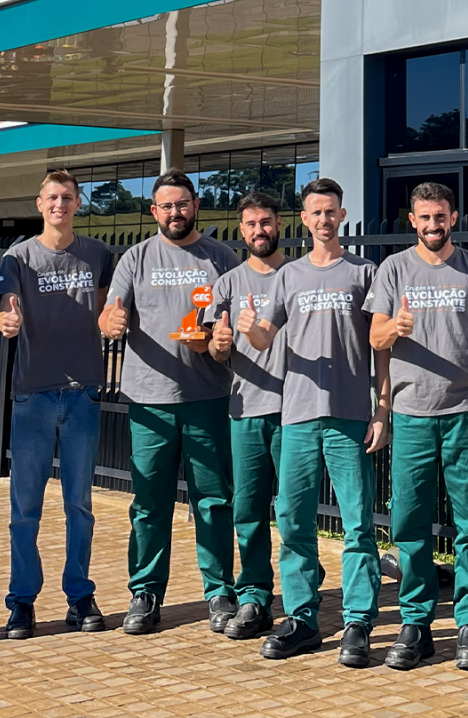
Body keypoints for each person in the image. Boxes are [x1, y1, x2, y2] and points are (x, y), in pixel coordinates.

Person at [240, 177, 389, 667]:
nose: (324, 219)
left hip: (349, 416)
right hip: (298, 416)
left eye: (331, 211)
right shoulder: (289, 276)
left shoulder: (365, 272)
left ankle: (358, 621)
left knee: (357, 525)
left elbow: (381, 347)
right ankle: (302, 619)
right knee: (294, 523)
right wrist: (250, 330)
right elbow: (265, 338)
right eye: (315, 212)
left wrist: (382, 407)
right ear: (303, 220)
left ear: (342, 215)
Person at [365, 181, 468, 671]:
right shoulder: (393, 268)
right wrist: (394, 328)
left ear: (453, 217)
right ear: (413, 221)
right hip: (411, 414)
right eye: (424, 217)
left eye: (440, 216)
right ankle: (416, 624)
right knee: (409, 524)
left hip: (465, 412)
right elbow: (375, 338)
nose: (433, 225)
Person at [99, 169, 240, 635]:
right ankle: (145, 593)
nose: (175, 212)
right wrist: (109, 323)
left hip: (208, 398)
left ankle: (219, 592)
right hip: (149, 402)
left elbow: (231, 326)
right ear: (153, 211)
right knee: (149, 503)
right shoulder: (136, 258)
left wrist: (216, 341)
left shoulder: (221, 257)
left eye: (182, 204)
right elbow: (111, 310)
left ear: (195, 205)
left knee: (213, 501)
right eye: (166, 206)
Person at [0, 170, 113, 640]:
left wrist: (113, 320)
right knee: (25, 507)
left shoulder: (98, 254)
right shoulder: (18, 256)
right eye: (52, 198)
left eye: (67, 197)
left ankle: (79, 595)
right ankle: (21, 601)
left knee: (79, 505)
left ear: (78, 203)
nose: (59, 204)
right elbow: (7, 304)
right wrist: (7, 319)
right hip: (34, 395)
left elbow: (105, 310)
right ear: (39, 204)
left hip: (83, 394)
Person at [204, 191, 292, 640]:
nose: (260, 230)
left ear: (279, 224)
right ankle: (255, 595)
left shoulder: (298, 275)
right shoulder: (228, 284)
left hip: (297, 411)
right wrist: (219, 345)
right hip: (247, 409)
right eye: (252, 224)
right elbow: (215, 348)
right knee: (249, 509)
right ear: (242, 230)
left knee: (294, 512)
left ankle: (300, 600)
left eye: (266, 222)